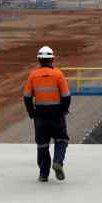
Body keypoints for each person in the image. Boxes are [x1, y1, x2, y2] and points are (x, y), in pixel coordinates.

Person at [23, 46, 71, 182]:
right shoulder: (58, 74)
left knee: (42, 145)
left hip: (40, 115)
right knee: (61, 140)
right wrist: (64, 110)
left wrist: (31, 113)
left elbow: (27, 97)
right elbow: (66, 95)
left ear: (39, 59)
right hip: (56, 113)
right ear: (52, 59)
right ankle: (58, 162)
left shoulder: (33, 75)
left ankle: (44, 174)